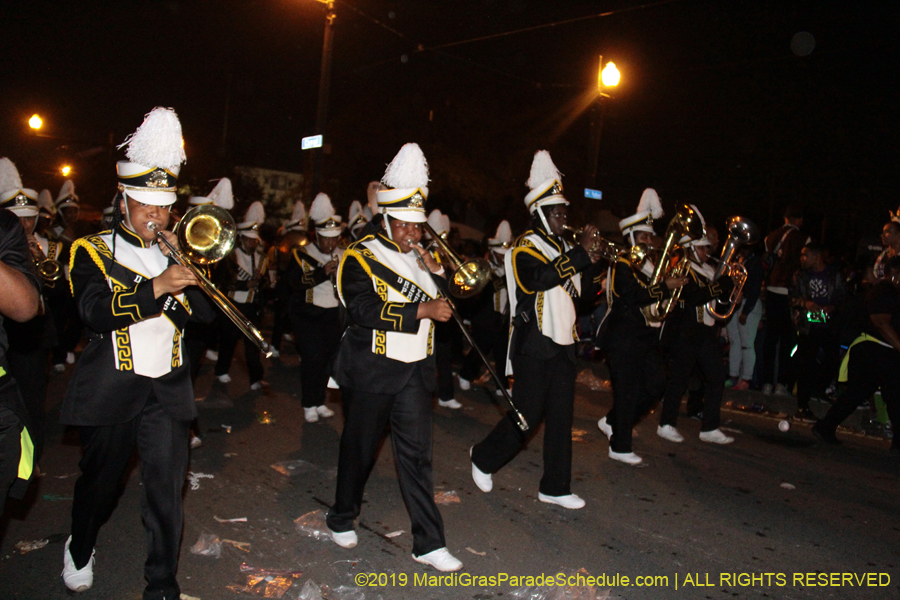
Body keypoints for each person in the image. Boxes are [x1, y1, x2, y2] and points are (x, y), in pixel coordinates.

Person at [60, 107, 214, 598]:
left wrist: (188, 271)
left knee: (168, 494)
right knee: (100, 486)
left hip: (167, 391)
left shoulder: (177, 252)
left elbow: (208, 320)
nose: (156, 215)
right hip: (112, 388)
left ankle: (162, 583)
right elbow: (93, 312)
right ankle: (80, 546)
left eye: (164, 206)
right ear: (123, 201)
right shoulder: (92, 250)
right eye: (146, 205)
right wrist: (157, 286)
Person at [326, 143, 463, 572]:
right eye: (405, 224)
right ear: (386, 218)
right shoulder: (359, 255)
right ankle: (341, 515)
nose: (412, 233)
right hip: (371, 369)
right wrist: (421, 309)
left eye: (417, 226)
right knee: (360, 449)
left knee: (418, 457)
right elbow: (362, 310)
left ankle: (428, 542)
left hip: (415, 373)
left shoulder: (422, 258)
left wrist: (438, 275)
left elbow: (453, 301)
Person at [470, 150, 601, 508]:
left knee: (561, 417)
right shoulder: (523, 247)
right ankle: (483, 457)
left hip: (564, 343)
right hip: (534, 342)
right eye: (557, 213)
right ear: (540, 213)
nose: (563, 218)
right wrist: (578, 255)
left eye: (565, 212)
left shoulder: (566, 247)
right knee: (527, 417)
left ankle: (555, 486)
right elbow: (539, 280)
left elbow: (585, 295)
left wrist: (590, 262)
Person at [598, 189, 688, 465]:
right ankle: (620, 446)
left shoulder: (652, 267)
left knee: (656, 384)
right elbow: (631, 295)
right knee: (627, 390)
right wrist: (664, 288)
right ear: (630, 238)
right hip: (622, 334)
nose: (649, 240)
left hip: (646, 335)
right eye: (643, 236)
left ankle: (613, 421)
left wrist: (668, 298)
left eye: (650, 236)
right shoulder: (622, 263)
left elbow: (653, 300)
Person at [656, 216, 736, 445]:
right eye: (702, 247)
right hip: (684, 330)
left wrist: (727, 292)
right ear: (692, 248)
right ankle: (666, 424)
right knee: (679, 379)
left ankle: (709, 428)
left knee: (716, 376)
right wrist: (720, 286)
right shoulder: (683, 267)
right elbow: (693, 296)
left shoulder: (710, 270)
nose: (706, 251)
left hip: (705, 331)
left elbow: (716, 303)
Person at [0, 160, 57, 464]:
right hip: (7, 337)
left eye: (29, 218)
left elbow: (56, 298)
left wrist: (35, 263)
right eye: (17, 219)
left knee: (32, 399)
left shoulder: (49, 246)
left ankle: (30, 458)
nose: (25, 226)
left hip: (32, 338)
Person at [813, 255, 900, 451]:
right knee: (872, 394)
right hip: (875, 351)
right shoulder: (884, 291)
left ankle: (826, 426)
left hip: (882, 352)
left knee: (880, 395)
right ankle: (825, 426)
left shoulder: (891, 292)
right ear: (895, 274)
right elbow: (881, 322)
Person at [0, 181, 42, 516]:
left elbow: (27, 306)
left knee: (32, 389)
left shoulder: (6, 230)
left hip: (26, 345)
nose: (25, 222)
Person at [286, 192, 342, 422]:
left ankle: (319, 401)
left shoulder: (344, 254)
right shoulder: (301, 254)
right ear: (316, 236)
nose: (331, 243)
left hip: (333, 315)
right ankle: (308, 403)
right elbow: (292, 285)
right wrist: (322, 273)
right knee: (311, 360)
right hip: (309, 315)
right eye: (326, 238)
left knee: (328, 360)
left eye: (334, 238)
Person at [214, 201, 268, 390]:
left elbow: (266, 285)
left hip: (252, 307)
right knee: (228, 342)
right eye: (248, 239)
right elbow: (223, 283)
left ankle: (255, 378)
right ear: (241, 238)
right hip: (233, 305)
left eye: (254, 240)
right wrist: (246, 284)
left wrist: (261, 281)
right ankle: (221, 370)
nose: (252, 243)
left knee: (252, 344)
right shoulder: (230, 256)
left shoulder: (261, 258)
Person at [790, 243, 846, 421]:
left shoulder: (834, 275)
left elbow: (843, 298)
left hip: (828, 325)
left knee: (831, 360)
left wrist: (833, 307)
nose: (802, 259)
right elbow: (791, 297)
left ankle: (818, 389)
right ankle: (803, 405)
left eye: (806, 255)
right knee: (805, 363)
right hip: (808, 325)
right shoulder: (800, 275)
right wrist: (806, 304)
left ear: (817, 256)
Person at [458, 220, 512, 395]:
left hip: (503, 316)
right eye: (500, 255)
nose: (503, 258)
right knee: (481, 349)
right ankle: (465, 374)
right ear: (493, 253)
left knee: (502, 351)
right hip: (484, 316)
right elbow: (472, 293)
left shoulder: (510, 269)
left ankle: (501, 385)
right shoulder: (483, 267)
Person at [761, 205, 808, 396]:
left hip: (772, 289)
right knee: (788, 341)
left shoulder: (770, 237)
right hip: (789, 292)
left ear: (785, 218)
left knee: (770, 340)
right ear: (800, 220)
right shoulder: (804, 239)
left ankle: (765, 383)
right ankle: (782, 383)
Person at [424, 209, 462, 409]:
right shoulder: (424, 254)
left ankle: (446, 396)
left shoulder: (444, 257)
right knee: (428, 359)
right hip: (427, 313)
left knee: (444, 355)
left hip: (443, 314)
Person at [268, 201, 308, 357]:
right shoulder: (286, 243)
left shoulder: (289, 242)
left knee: (290, 317)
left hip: (293, 283)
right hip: (290, 283)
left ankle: (281, 346)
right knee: (286, 316)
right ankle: (278, 345)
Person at [725, 244, 764, 390]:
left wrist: (746, 311)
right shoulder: (739, 260)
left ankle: (746, 378)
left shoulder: (755, 263)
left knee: (747, 344)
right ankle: (733, 376)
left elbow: (754, 289)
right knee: (735, 341)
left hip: (748, 303)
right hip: (735, 301)